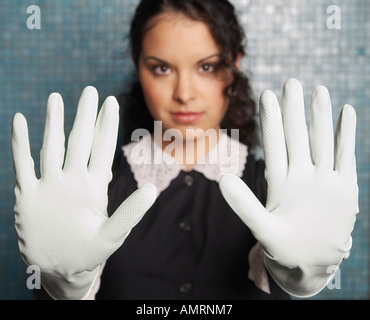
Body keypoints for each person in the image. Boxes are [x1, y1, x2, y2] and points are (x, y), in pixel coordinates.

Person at [11, 0, 358, 300]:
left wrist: (303, 280)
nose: (185, 93)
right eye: (162, 68)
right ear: (138, 65)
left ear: (233, 65)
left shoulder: (281, 191)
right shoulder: (89, 190)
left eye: (206, 66)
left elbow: (290, 280)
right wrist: (64, 286)